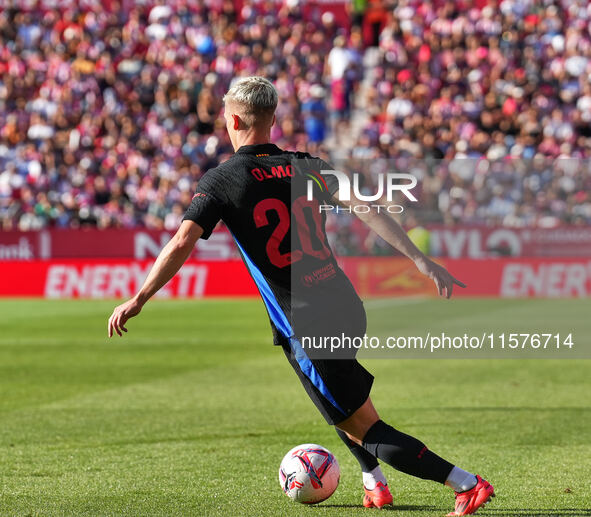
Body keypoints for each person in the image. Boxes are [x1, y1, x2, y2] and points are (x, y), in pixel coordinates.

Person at [107, 76, 495, 515]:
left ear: (233, 120)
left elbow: (181, 242)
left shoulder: (222, 180)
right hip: (345, 305)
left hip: (306, 320)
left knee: (363, 424)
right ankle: (375, 483)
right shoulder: (309, 164)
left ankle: (465, 483)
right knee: (337, 404)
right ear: (273, 119)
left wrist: (138, 297)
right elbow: (366, 207)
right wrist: (419, 259)